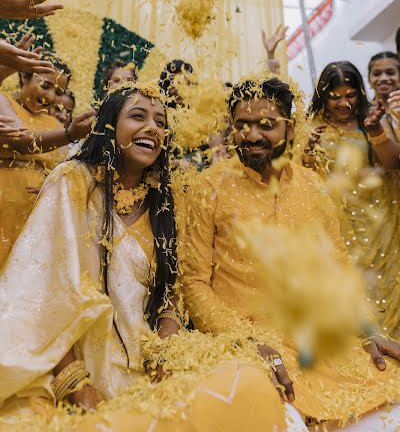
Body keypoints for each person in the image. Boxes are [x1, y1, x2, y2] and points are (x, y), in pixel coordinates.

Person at [0, 83, 292, 432]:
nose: (152, 128)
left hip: (147, 360)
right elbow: (39, 295)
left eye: (160, 122)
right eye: (138, 116)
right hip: (69, 361)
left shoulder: (168, 201)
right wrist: (75, 384)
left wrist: (166, 354)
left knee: (250, 383)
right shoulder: (72, 181)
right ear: (109, 125)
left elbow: (171, 294)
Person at [182, 73, 400, 428]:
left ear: (290, 128)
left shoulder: (313, 184)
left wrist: (368, 330)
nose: (252, 135)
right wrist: (245, 341)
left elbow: (338, 267)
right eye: (242, 125)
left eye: (265, 125)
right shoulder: (208, 187)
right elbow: (193, 282)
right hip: (249, 348)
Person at [304, 61, 400, 338]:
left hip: (379, 220)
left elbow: (393, 161)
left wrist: (374, 131)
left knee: (385, 288)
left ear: (360, 92)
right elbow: (304, 175)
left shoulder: (371, 118)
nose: (343, 103)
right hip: (337, 224)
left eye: (350, 95)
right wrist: (308, 149)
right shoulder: (314, 127)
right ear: (323, 95)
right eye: (335, 97)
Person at [0, 56, 94, 267]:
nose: (51, 96)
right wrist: (69, 134)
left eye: (59, 92)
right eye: (45, 85)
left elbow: (65, 169)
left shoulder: (53, 123)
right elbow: (22, 142)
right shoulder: (3, 101)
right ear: (25, 76)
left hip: (34, 220)